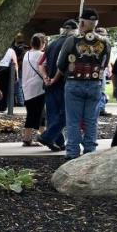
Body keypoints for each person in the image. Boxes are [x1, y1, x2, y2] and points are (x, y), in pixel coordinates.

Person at [50, 7, 111, 159]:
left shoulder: (72, 40)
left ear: (82, 23)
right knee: (91, 120)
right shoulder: (105, 42)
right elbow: (105, 63)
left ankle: (72, 152)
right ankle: (90, 150)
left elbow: (61, 63)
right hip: (95, 83)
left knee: (73, 120)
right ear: (96, 24)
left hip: (74, 82)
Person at [37, 20, 76, 151]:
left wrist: (45, 77)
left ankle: (59, 142)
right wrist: (54, 79)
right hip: (62, 83)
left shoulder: (51, 44)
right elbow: (63, 65)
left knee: (53, 114)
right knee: (66, 114)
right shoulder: (72, 44)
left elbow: (41, 64)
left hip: (48, 84)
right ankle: (48, 137)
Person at [20, 33, 47, 147]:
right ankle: (30, 138)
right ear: (42, 43)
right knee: (37, 113)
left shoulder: (26, 54)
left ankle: (42, 135)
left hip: (27, 87)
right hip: (38, 88)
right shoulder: (42, 55)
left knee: (36, 112)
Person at [0, 43, 19, 112]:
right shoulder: (11, 51)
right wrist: (16, 75)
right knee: (5, 89)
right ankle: (3, 106)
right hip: (6, 70)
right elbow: (15, 63)